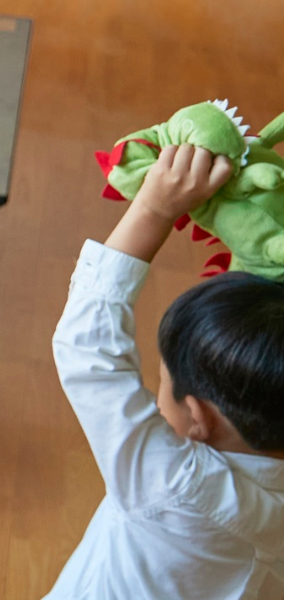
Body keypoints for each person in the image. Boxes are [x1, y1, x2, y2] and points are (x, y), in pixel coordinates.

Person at [49, 144, 284, 599]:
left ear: (199, 417)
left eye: (163, 384)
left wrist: (154, 208)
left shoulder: (172, 480)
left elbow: (89, 351)